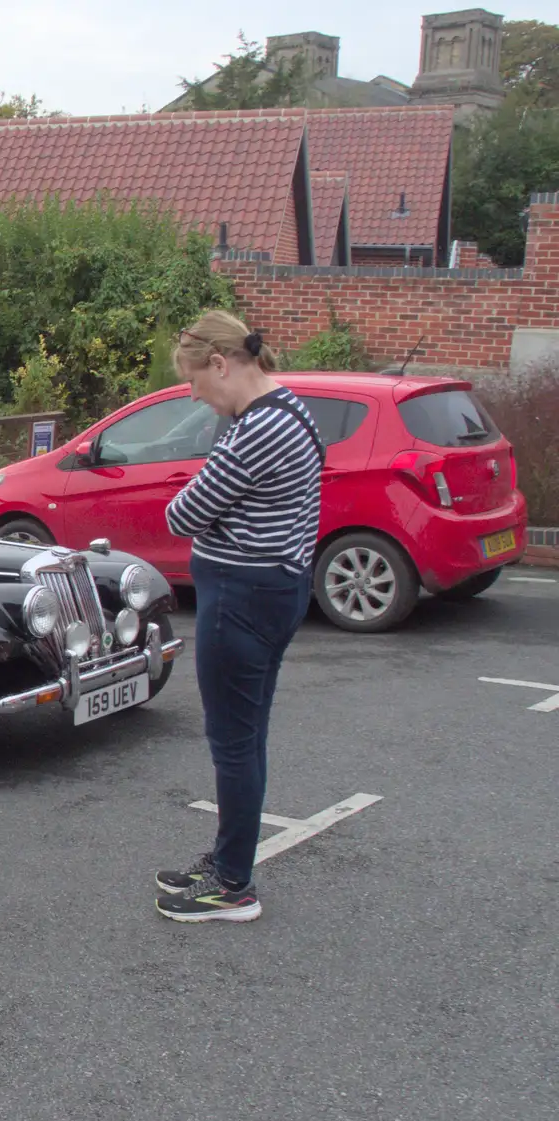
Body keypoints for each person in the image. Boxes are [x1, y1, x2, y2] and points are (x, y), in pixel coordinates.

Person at [155, 311, 324, 924]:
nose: (202, 401)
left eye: (199, 386)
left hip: (240, 598)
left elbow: (182, 514)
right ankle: (230, 861)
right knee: (246, 738)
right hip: (274, 590)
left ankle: (231, 886)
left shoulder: (255, 430)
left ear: (221, 364)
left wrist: (213, 515)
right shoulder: (290, 410)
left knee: (232, 744)